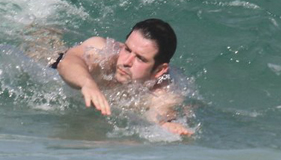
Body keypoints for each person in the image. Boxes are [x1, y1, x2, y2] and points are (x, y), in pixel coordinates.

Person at [54, 19, 194, 136]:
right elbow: (66, 62)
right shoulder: (103, 53)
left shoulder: (164, 91)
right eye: (127, 49)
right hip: (54, 61)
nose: (126, 61)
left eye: (140, 58)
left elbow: (160, 114)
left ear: (159, 70)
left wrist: (167, 125)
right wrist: (87, 83)